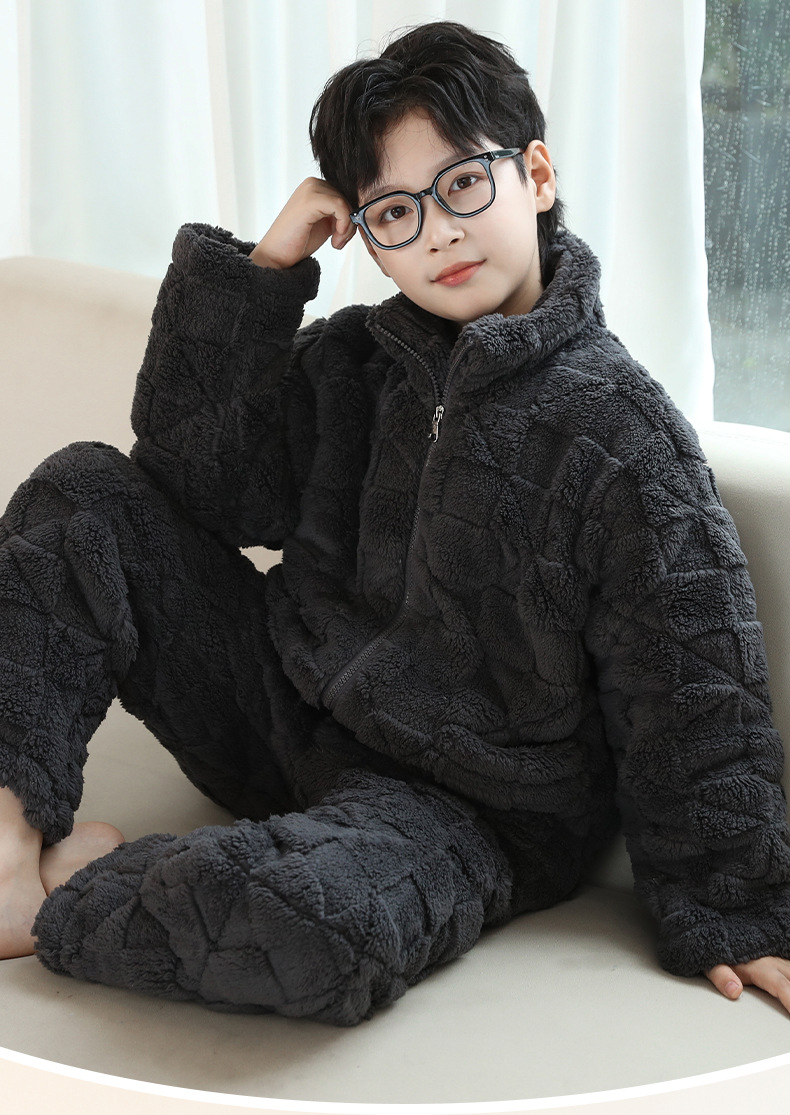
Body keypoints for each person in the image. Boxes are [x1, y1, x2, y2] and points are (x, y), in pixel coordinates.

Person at [2, 20, 790, 1025]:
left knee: (308, 927)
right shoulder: (356, 360)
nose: (438, 233)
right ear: (367, 237)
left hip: (461, 811)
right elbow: (193, 477)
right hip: (280, 714)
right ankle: (7, 854)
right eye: (395, 212)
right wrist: (268, 269)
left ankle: (73, 893)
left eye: (462, 184)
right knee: (81, 494)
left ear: (536, 175)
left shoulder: (621, 437)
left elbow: (688, 680)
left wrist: (731, 904)